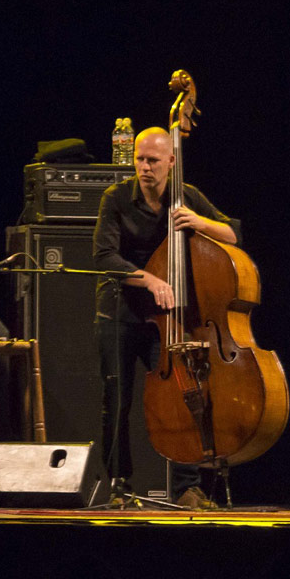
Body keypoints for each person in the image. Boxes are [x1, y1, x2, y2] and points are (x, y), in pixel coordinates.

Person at [92, 126, 239, 508]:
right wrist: (150, 279)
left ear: (171, 162)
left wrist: (199, 222)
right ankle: (119, 485)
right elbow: (104, 256)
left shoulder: (186, 196)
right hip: (120, 312)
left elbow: (234, 234)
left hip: (170, 318)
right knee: (117, 399)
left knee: (184, 395)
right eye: (140, 159)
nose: (144, 167)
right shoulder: (116, 198)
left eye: (153, 160)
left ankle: (187, 488)